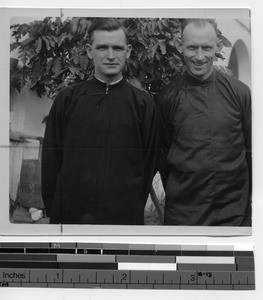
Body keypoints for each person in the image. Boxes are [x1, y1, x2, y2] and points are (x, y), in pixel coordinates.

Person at [41, 18, 160, 224]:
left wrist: (131, 203)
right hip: (71, 215)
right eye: (102, 47)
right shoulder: (67, 100)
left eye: (118, 48)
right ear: (89, 50)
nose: (111, 56)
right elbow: (51, 161)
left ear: (128, 51)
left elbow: (148, 164)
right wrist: (54, 209)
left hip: (123, 216)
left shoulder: (143, 104)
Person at [157, 19, 251, 226]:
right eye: (192, 47)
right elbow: (163, 158)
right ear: (181, 46)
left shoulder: (240, 93)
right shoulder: (167, 98)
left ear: (217, 46)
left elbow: (251, 153)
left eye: (206, 47)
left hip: (234, 214)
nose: (199, 56)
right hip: (184, 215)